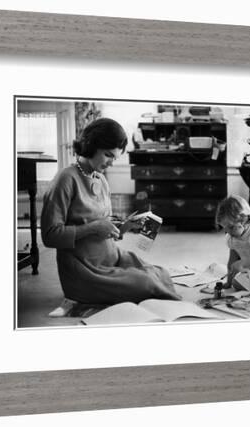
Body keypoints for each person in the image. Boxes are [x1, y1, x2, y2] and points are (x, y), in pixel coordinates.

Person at [41, 117, 181, 305]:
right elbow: (50, 236)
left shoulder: (101, 179)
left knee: (161, 273)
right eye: (108, 155)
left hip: (112, 257)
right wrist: (93, 228)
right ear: (91, 145)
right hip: (86, 271)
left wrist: (126, 226)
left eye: (114, 158)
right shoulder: (66, 179)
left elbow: (106, 228)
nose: (111, 163)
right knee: (147, 282)